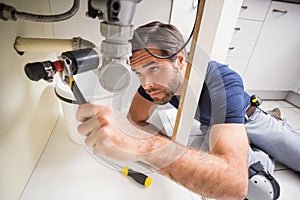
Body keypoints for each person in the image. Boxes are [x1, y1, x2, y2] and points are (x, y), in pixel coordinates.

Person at [76, 21, 300, 199]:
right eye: (139, 73)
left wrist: (147, 146)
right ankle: (257, 150)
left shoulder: (222, 79)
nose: (145, 83)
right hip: (212, 126)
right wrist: (163, 142)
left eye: (153, 68)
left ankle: (272, 125)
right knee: (260, 190)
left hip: (250, 118)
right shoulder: (152, 87)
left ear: (179, 61)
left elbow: (233, 181)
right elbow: (135, 119)